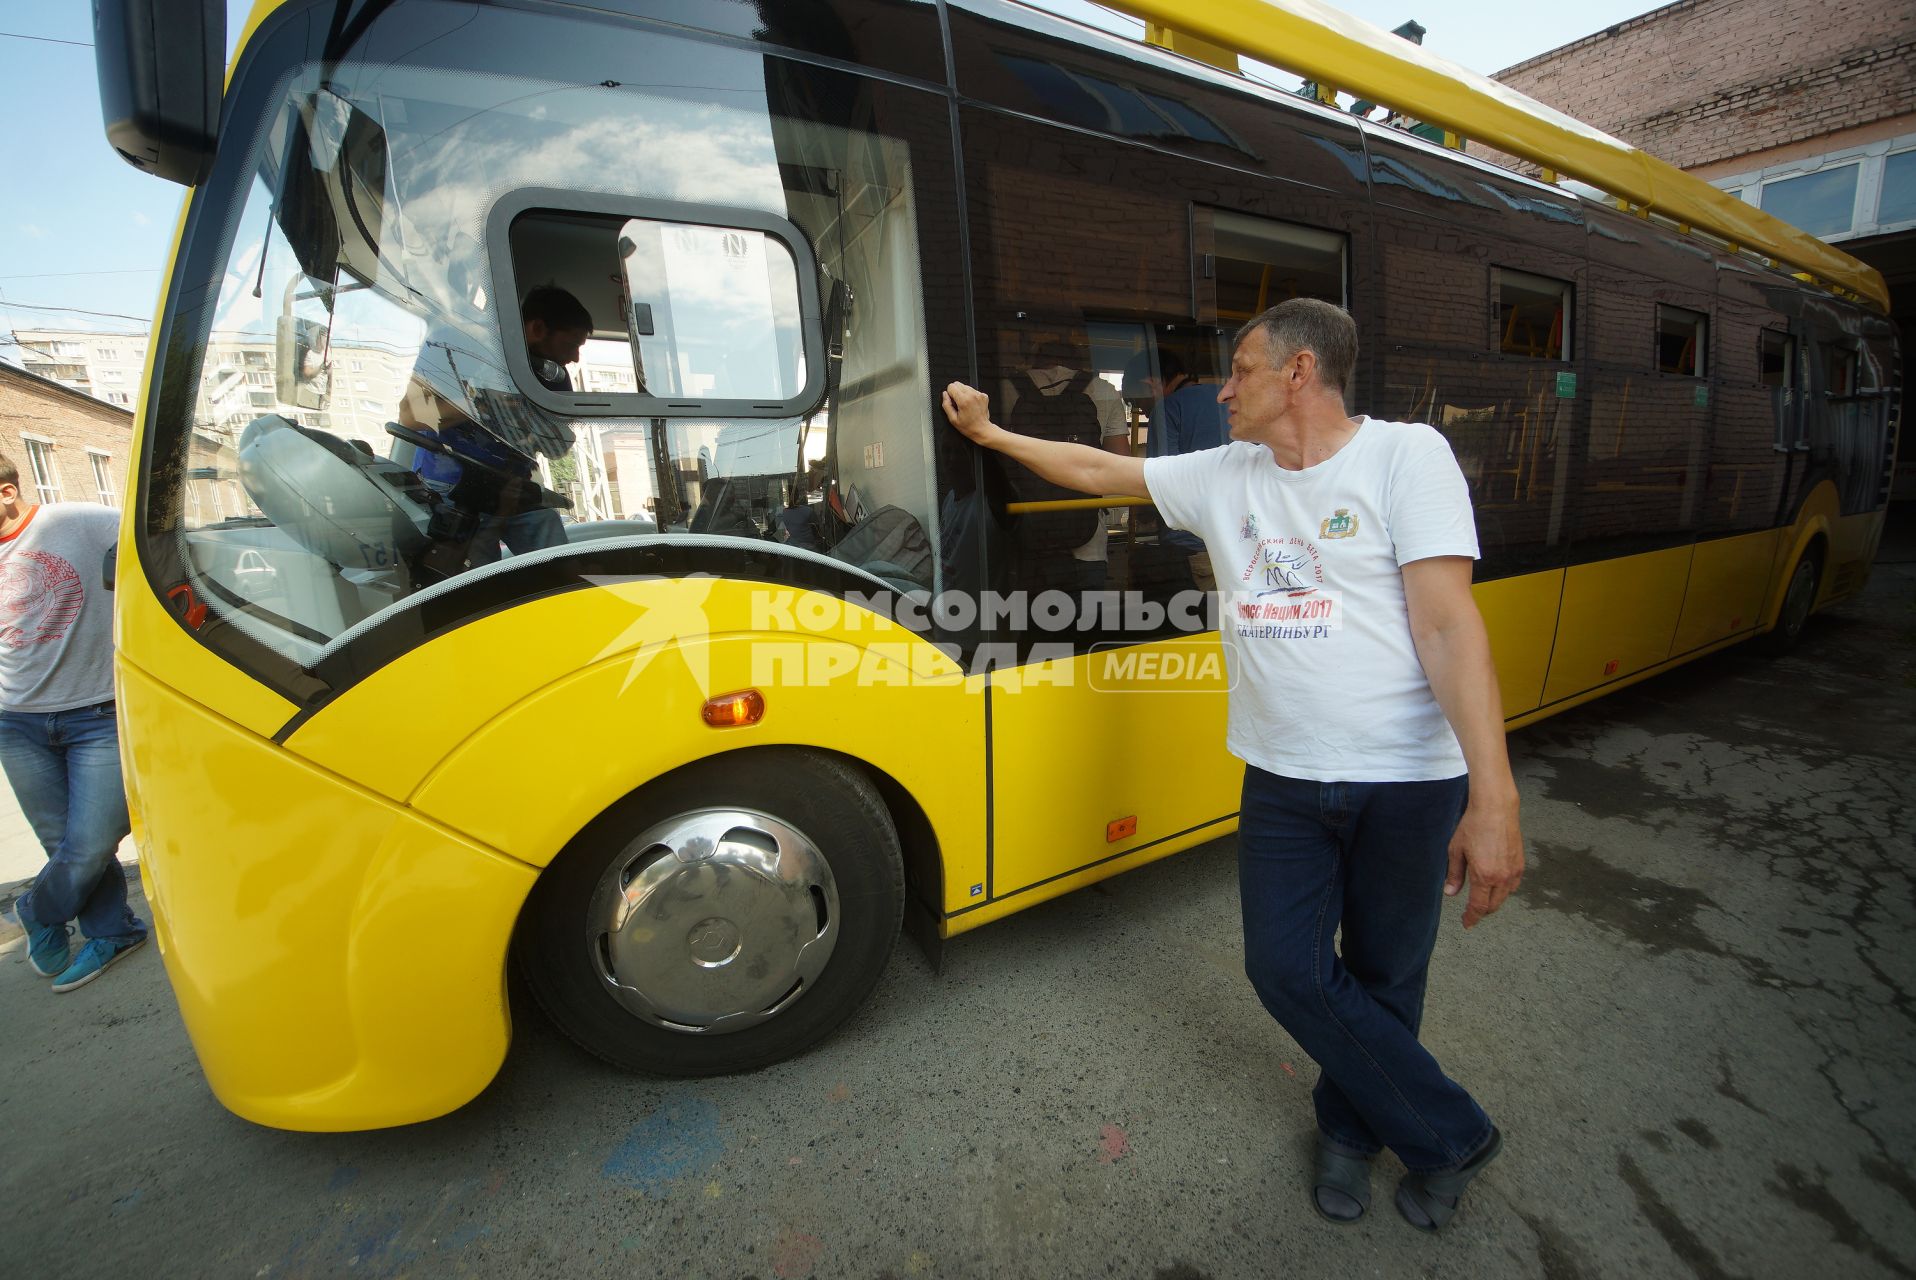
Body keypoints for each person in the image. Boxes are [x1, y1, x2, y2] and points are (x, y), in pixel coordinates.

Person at [941, 298, 1524, 1232]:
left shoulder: (1406, 456)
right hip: (1285, 776)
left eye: (1241, 369)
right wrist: (990, 431)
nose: (1222, 388)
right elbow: (1098, 468)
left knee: (1385, 973)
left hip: (1410, 778)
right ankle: (1451, 1131)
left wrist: (1493, 798)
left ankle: (1348, 1131)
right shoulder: (1224, 474)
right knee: (1288, 970)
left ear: (1299, 373)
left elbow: (1450, 626)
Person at [0, 457, 147, 992]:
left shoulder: (76, 523)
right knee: (61, 840)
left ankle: (36, 910)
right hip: (16, 722)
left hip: (98, 713)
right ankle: (112, 931)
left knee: (92, 840)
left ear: (8, 492)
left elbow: (156, 541)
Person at [401, 286, 591, 563]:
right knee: (479, 571)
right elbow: (410, 416)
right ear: (537, 328)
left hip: (510, 489)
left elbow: (555, 449)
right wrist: (482, 403)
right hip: (450, 488)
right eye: (570, 344)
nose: (575, 357)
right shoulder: (454, 344)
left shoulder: (552, 374)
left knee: (549, 534)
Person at [999, 339, 1130, 593]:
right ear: (1079, 363)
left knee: (1032, 628)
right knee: (1087, 628)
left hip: (1026, 540)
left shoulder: (1005, 390)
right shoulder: (1103, 391)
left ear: (1036, 359)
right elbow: (1121, 464)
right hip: (1088, 546)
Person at [1124, 347, 1230, 590]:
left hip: (1190, 546)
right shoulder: (1230, 402)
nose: (1142, 409)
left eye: (1134, 401)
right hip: (1239, 542)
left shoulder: (1167, 409)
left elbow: (1159, 482)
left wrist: (1143, 516)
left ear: (1149, 384)